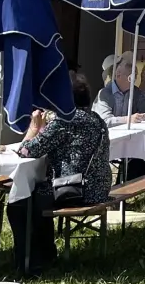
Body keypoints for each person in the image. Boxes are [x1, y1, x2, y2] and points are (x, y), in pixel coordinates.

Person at [10, 73, 112, 273]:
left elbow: (26, 151)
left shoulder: (65, 121)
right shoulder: (96, 119)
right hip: (99, 188)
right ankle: (45, 253)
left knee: (19, 203)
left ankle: (31, 262)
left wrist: (33, 127)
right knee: (38, 194)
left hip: (74, 191)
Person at [93, 52, 145, 126]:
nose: (134, 79)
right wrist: (128, 119)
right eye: (131, 77)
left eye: (135, 75)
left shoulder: (136, 92)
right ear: (118, 75)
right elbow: (104, 120)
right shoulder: (105, 93)